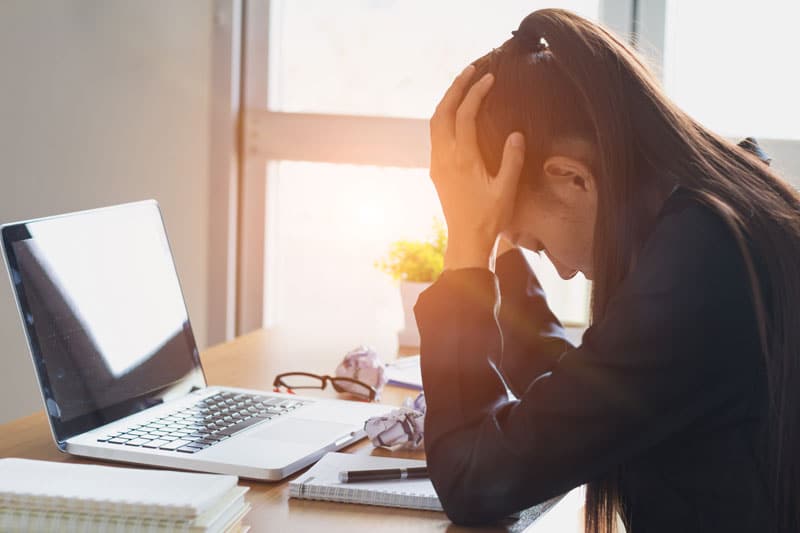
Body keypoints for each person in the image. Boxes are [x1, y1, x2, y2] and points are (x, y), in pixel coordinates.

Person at [416, 8, 799, 533]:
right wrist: (498, 240)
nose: (565, 273)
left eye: (537, 242)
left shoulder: (701, 266)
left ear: (572, 177)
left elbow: (474, 480)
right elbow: (585, 399)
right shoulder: (721, 209)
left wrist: (465, 246)